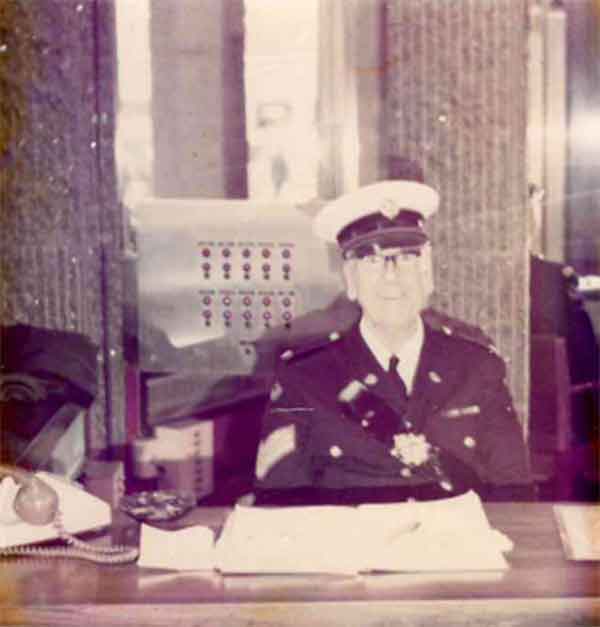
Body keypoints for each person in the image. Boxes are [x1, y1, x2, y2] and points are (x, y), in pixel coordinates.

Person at [252, 167, 535, 505]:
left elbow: (515, 497)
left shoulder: (477, 368)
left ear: (426, 272)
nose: (391, 277)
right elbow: (277, 506)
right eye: (372, 261)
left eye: (405, 259)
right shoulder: (304, 376)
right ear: (350, 280)